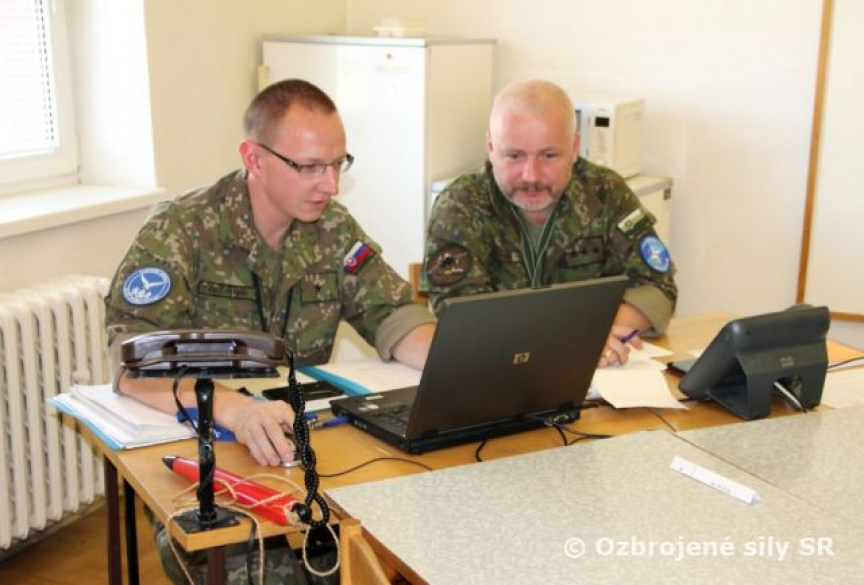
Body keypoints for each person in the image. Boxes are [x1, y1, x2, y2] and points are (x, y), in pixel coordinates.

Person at [104, 78, 436, 584]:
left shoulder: (333, 230)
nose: (331, 185)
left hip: (305, 451)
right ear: (254, 159)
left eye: (339, 164)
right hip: (207, 466)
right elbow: (135, 367)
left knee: (396, 548)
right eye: (310, 167)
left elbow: (394, 314)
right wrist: (233, 409)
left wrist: (463, 365)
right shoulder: (180, 231)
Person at [422, 79, 677, 366]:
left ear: (574, 147)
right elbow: (463, 320)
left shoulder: (605, 193)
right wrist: (570, 338)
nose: (531, 175)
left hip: (597, 375)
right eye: (514, 156)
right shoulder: (460, 206)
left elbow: (658, 288)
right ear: (491, 147)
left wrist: (597, 333)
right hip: (499, 371)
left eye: (549, 155)